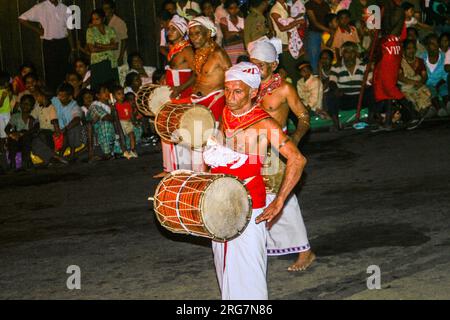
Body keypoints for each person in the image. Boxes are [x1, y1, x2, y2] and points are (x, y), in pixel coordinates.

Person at [203, 62, 307, 299]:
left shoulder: (264, 123)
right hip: (220, 202)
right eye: (227, 90)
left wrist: (279, 201)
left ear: (252, 92)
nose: (230, 97)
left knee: (248, 272)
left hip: (250, 205)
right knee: (224, 266)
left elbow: (297, 160)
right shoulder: (227, 112)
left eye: (237, 91)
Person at [249, 39, 315, 271]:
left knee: (284, 200)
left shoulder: (285, 88)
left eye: (261, 65)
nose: (256, 68)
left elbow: (304, 116)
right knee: (256, 198)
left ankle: (305, 252)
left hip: (278, 149)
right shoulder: (249, 87)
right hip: (253, 150)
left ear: (274, 65)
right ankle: (264, 245)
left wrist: (295, 139)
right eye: (253, 63)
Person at [372, 0, 419, 131]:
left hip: (391, 48)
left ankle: (414, 114)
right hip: (384, 47)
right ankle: (387, 122)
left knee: (389, 85)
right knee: (381, 85)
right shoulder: (379, 9)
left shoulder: (397, 10)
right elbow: (374, 30)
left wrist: (379, 40)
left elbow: (392, 32)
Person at [18, 0, 76, 93]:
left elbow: (69, 30)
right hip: (50, 44)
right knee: (51, 73)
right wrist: (37, 30)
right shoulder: (41, 7)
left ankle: (67, 96)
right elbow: (21, 18)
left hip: (64, 43)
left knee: (65, 71)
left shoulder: (65, 8)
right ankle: (54, 98)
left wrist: (72, 48)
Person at [188, 16, 232, 121]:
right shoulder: (198, 53)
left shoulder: (218, 53)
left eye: (197, 33)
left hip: (214, 101)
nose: (193, 37)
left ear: (208, 33)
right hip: (197, 101)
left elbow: (232, 77)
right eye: (191, 34)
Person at [328, 41, 376, 130]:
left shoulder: (364, 65)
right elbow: (332, 82)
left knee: (372, 91)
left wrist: (368, 83)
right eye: (347, 52)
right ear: (342, 53)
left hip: (360, 98)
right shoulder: (336, 67)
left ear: (356, 53)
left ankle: (370, 119)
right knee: (330, 95)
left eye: (352, 52)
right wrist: (336, 90)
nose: (350, 55)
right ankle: (336, 124)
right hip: (344, 98)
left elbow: (370, 79)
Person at [29, 89, 68, 166]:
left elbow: (54, 121)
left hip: (49, 132)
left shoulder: (51, 108)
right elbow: (31, 118)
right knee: (35, 141)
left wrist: (57, 132)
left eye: (37, 96)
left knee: (37, 141)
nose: (36, 98)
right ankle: (53, 157)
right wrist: (31, 130)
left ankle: (51, 158)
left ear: (43, 97)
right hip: (42, 131)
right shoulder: (38, 107)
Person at [270, 0, 305, 84]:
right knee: (290, 70)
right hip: (283, 43)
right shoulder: (275, 10)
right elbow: (281, 28)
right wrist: (297, 22)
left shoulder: (286, 5)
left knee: (296, 68)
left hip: (291, 41)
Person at [86, 9, 119, 91]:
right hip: (98, 63)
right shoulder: (90, 31)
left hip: (111, 62)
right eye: (93, 19)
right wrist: (109, 47)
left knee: (112, 87)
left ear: (103, 19)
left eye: (97, 19)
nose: (94, 21)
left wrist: (100, 45)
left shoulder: (110, 29)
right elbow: (92, 49)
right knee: (98, 88)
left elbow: (115, 46)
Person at [398, 39, 433, 114]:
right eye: (408, 48)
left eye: (413, 48)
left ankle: (425, 113)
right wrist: (415, 83)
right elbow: (400, 77)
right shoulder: (399, 61)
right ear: (404, 50)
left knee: (425, 93)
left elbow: (424, 76)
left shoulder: (419, 61)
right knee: (409, 99)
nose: (411, 50)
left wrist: (420, 83)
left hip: (418, 85)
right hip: (406, 86)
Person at [87, 85, 120, 160]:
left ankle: (117, 150)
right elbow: (106, 118)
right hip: (97, 133)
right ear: (98, 95)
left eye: (107, 91)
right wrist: (112, 111)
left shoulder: (111, 104)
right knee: (106, 124)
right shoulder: (94, 106)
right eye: (104, 92)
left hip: (111, 131)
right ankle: (106, 153)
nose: (107, 93)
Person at [51, 83, 83, 161]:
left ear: (70, 97)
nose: (59, 98)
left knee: (74, 127)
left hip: (72, 134)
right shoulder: (57, 101)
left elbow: (77, 119)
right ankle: (60, 155)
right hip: (60, 133)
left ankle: (72, 153)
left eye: (62, 96)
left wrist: (64, 129)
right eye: (59, 95)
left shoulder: (75, 106)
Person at [421, 33, 449, 116]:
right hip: (426, 86)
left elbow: (445, 76)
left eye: (437, 43)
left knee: (444, 88)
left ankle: (448, 105)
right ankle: (439, 109)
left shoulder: (444, 57)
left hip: (441, 83)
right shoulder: (421, 58)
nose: (436, 46)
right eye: (432, 44)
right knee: (430, 90)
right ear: (426, 46)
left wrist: (438, 85)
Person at [4, 95, 35, 170]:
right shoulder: (15, 116)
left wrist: (21, 134)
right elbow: (7, 128)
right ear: (20, 105)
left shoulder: (33, 117)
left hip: (28, 140)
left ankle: (25, 162)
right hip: (17, 140)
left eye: (28, 104)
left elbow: (33, 130)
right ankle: (12, 162)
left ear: (32, 107)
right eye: (24, 103)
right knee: (12, 140)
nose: (25, 106)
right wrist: (12, 135)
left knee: (25, 135)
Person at [305, 0, 331, 74]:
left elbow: (330, 18)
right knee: (314, 56)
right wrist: (329, 30)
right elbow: (314, 22)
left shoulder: (325, 4)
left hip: (325, 33)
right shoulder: (309, 4)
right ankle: (315, 75)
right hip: (314, 32)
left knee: (326, 55)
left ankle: (325, 75)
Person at [112, 86, 138, 158]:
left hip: (128, 122)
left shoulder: (127, 104)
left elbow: (131, 114)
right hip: (120, 123)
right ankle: (123, 151)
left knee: (132, 134)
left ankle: (133, 150)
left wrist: (134, 121)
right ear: (114, 96)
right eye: (119, 94)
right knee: (121, 137)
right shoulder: (115, 106)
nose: (122, 95)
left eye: (123, 93)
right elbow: (114, 116)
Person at [103, 0, 128, 66]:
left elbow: (124, 40)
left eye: (107, 8)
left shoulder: (119, 22)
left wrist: (121, 57)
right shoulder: (103, 22)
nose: (105, 10)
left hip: (118, 54)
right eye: (103, 9)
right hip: (108, 56)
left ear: (112, 9)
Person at [220, 0, 246, 65]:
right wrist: (238, 33)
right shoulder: (224, 20)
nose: (234, 10)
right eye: (231, 8)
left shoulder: (243, 20)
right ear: (227, 10)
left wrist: (232, 33)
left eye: (236, 7)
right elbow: (226, 35)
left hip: (241, 51)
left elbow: (245, 36)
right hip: (229, 52)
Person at [0, 72, 13, 158]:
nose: (9, 82)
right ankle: (2, 151)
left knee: (9, 132)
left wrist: (10, 95)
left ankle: (9, 149)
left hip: (7, 113)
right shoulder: (2, 92)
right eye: (8, 82)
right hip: (0, 115)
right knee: (2, 134)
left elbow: (9, 102)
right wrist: (3, 97)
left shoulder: (6, 91)